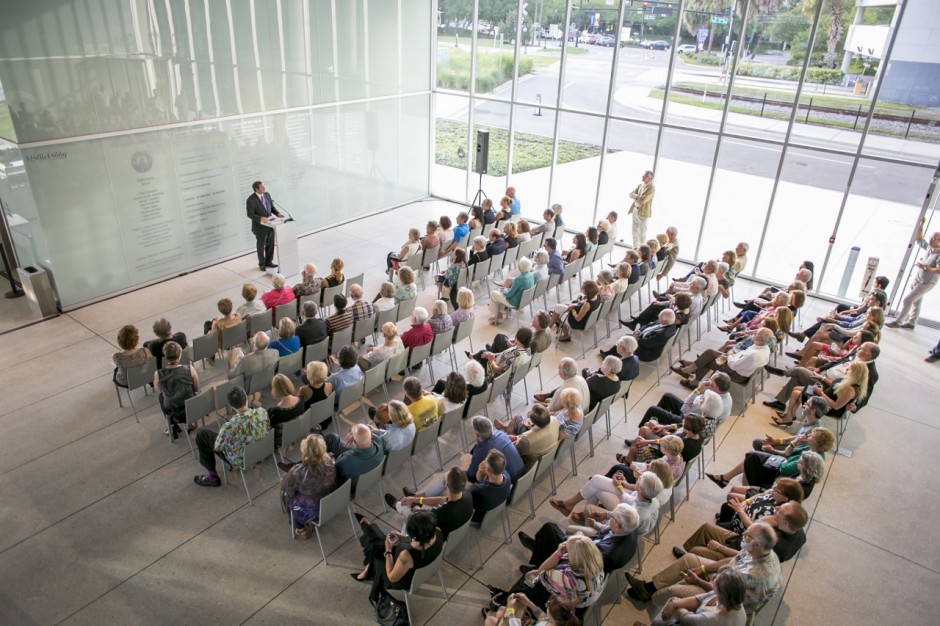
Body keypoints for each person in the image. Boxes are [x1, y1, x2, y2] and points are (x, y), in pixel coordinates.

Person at [626, 521, 781, 614]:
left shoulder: (753, 576)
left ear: (757, 544)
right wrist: (703, 570)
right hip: (723, 581)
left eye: (747, 535)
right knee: (689, 559)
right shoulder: (760, 550)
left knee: (674, 592)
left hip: (724, 603)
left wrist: (697, 580)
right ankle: (646, 589)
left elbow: (720, 593)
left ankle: (657, 607)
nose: (743, 536)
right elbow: (733, 559)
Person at [353, 509, 444, 608]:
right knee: (378, 543)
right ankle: (367, 527)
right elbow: (420, 540)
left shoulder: (407, 555)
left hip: (404, 579)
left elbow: (392, 577)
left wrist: (388, 550)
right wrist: (401, 536)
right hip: (422, 567)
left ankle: (366, 527)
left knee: (377, 551)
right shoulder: (437, 532)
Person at [706, 426, 835, 490]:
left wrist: (773, 452)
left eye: (811, 436)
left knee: (751, 460)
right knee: (752, 457)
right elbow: (788, 453)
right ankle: (727, 479)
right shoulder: (809, 447)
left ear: (817, 442)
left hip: (779, 475)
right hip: (782, 464)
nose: (808, 436)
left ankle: (743, 489)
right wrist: (794, 442)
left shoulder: (810, 459)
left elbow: (784, 468)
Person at [193, 385, 270, 487]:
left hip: (240, 459)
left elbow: (217, 447)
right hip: (261, 450)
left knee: (202, 436)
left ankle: (212, 477)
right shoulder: (262, 412)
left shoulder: (229, 427)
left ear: (231, 405)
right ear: (246, 398)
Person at [387, 466, 473, 539]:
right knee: (411, 506)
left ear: (446, 485)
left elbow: (424, 518)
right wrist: (416, 499)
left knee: (407, 510)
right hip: (456, 528)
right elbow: (443, 499)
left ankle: (399, 508)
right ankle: (402, 505)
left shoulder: (439, 512)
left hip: (436, 535)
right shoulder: (467, 493)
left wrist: (417, 509)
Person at [672, 327, 773, 389]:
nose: (753, 334)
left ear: (761, 340)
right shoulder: (764, 348)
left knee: (708, 360)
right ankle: (689, 373)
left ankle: (691, 377)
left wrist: (729, 355)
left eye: (756, 334)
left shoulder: (754, 355)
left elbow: (733, 366)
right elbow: (741, 358)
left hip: (735, 374)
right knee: (710, 353)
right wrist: (731, 355)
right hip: (737, 364)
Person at [280, 433, 337, 539]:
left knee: (286, 494)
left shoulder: (296, 472)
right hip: (329, 502)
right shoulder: (329, 462)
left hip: (310, 509)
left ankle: (300, 527)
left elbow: (290, 494)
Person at [648, 566, 748, 626]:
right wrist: (674, 603)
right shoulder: (735, 600)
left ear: (721, 593)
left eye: (715, 580)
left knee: (671, 603)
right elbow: (699, 599)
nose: (714, 578)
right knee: (674, 602)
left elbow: (686, 619)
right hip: (695, 620)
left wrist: (675, 603)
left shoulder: (711, 620)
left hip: (692, 621)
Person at [886, 219, 940, 329]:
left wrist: (926, 267)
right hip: (919, 278)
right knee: (916, 302)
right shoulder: (930, 248)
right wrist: (921, 225)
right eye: (931, 237)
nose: (931, 240)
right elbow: (919, 239)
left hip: (927, 282)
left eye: (934, 239)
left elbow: (939, 270)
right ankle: (911, 323)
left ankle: (898, 321)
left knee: (908, 300)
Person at [154, 341, 199, 439]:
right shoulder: (190, 369)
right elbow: (196, 389)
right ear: (179, 354)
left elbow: (161, 390)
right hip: (190, 405)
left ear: (165, 356)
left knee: (161, 397)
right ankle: (190, 423)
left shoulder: (158, 374)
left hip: (172, 407)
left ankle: (171, 425)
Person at [323, 423, 384, 492]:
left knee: (332, 437)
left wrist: (333, 458)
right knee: (333, 437)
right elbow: (368, 431)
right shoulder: (378, 442)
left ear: (354, 442)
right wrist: (355, 433)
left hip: (350, 488)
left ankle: (317, 451)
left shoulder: (346, 460)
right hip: (366, 471)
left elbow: (334, 468)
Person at [246, 180, 283, 271]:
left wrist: (277, 213)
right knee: (261, 246)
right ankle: (261, 264)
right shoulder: (251, 200)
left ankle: (269, 262)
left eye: (264, 186)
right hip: (260, 227)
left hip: (271, 226)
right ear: (256, 189)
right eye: (262, 187)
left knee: (270, 245)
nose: (264, 188)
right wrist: (260, 218)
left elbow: (272, 208)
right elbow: (250, 214)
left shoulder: (267, 195)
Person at [489, 256, 535, 324]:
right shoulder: (531, 275)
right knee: (500, 295)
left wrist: (504, 290)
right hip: (524, 301)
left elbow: (509, 294)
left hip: (514, 302)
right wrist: (506, 290)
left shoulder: (519, 279)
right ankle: (500, 314)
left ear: (520, 267)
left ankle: (498, 316)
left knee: (493, 293)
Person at [266, 373, 305, 451]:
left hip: (282, 438)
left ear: (275, 389)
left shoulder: (275, 411)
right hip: (300, 430)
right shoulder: (301, 399)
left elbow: (269, 428)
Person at [628, 170, 655, 248]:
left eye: (644, 176)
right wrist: (637, 197)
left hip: (643, 212)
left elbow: (643, 200)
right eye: (643, 175)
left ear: (649, 179)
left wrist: (637, 197)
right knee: (634, 230)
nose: (642, 177)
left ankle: (642, 249)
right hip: (635, 209)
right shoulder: (640, 185)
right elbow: (630, 194)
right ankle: (635, 247)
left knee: (642, 232)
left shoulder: (651, 188)